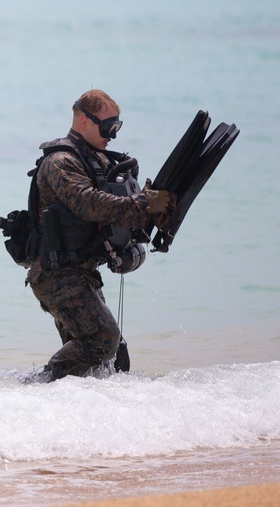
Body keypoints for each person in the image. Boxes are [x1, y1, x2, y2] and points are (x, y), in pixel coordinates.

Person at [26, 89, 174, 380]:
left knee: (96, 366)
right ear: (84, 121)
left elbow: (116, 208)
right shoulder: (61, 162)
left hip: (81, 273)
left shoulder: (96, 160)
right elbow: (90, 203)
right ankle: (35, 390)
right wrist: (145, 203)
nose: (112, 136)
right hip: (56, 275)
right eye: (108, 127)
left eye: (117, 127)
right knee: (103, 340)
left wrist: (152, 208)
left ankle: (58, 406)